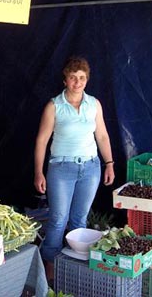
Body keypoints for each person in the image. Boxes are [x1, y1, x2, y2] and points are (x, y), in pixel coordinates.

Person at [34, 57, 115, 282]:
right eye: (73, 78)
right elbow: (42, 141)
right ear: (65, 80)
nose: (77, 82)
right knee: (59, 218)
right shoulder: (54, 106)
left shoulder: (94, 104)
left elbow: (102, 136)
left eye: (82, 78)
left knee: (79, 219)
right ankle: (49, 266)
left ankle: (72, 268)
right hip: (61, 168)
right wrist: (38, 172)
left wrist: (109, 163)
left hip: (90, 167)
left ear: (87, 80)